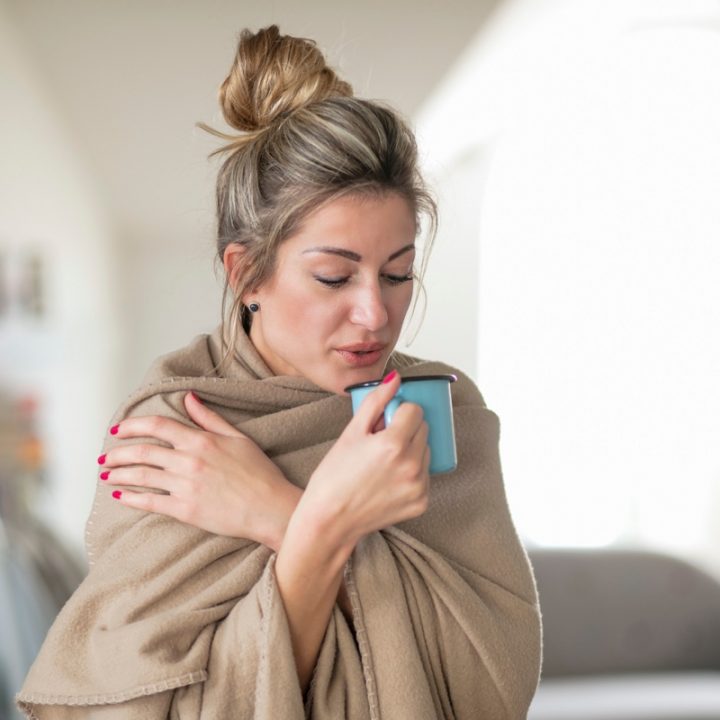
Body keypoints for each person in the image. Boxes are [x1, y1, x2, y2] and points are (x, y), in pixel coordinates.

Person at [17, 25, 542, 720]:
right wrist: (326, 530)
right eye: (333, 276)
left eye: (397, 274)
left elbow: (489, 683)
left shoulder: (439, 414)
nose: (374, 315)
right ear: (247, 274)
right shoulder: (173, 434)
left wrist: (284, 514)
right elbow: (144, 706)